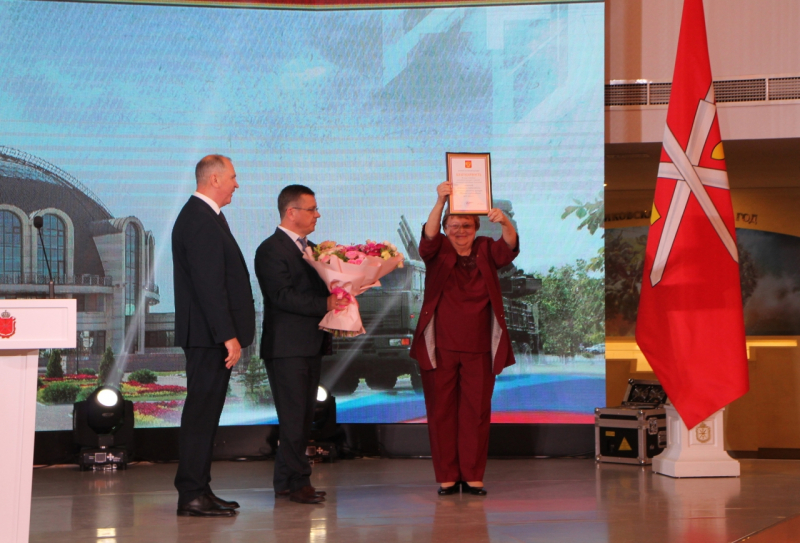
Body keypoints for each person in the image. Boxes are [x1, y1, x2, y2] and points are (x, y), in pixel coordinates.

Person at [410, 180, 519, 496]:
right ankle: (447, 476)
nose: (460, 231)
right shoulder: (438, 250)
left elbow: (509, 246)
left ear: (476, 228)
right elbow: (429, 235)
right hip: (440, 348)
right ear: (446, 228)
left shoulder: (486, 248)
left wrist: (505, 222)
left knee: (476, 413)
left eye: (467, 226)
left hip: (480, 347)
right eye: (454, 226)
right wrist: (440, 201)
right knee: (441, 413)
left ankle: (472, 475)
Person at [254, 185, 349, 505]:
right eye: (312, 209)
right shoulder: (271, 249)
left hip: (310, 344)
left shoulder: (312, 250)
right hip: (286, 348)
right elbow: (281, 296)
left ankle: (286, 481)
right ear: (291, 212)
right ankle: (298, 482)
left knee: (303, 417)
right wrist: (326, 303)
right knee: (294, 418)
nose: (317, 215)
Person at [172, 155, 256, 516]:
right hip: (208, 337)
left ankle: (199, 490)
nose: (237, 184)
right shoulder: (199, 218)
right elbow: (209, 285)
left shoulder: (206, 216)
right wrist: (227, 335)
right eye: (233, 177)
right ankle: (191, 493)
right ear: (215, 179)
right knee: (201, 415)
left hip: (209, 336)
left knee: (205, 416)